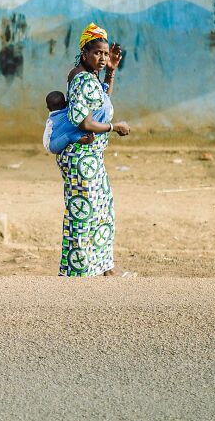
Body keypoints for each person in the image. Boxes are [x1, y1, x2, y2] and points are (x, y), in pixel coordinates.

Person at [57, 22, 130, 277]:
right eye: (97, 53)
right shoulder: (80, 80)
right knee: (83, 214)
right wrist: (114, 127)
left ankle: (103, 268)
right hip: (80, 157)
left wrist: (110, 73)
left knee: (101, 210)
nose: (102, 58)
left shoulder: (90, 78)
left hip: (91, 158)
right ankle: (78, 273)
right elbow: (83, 121)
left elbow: (102, 99)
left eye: (105, 53)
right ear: (85, 52)